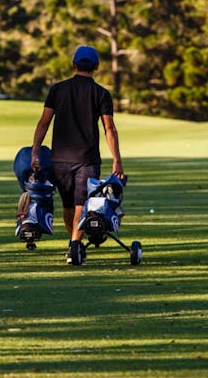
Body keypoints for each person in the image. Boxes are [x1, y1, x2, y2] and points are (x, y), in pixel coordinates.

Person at [31, 45, 124, 265]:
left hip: (59, 159)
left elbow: (44, 123)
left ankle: (74, 245)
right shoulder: (101, 93)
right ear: (97, 67)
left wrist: (35, 150)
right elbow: (109, 128)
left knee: (69, 205)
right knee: (81, 203)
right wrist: (117, 159)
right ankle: (74, 245)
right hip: (87, 159)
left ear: (73, 64)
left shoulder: (57, 89)